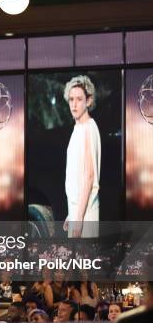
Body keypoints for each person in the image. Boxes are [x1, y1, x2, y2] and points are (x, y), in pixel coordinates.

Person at [63, 75, 101, 238]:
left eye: (79, 99)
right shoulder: (78, 128)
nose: (74, 104)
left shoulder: (88, 128)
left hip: (85, 214)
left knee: (85, 261)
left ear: (89, 101)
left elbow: (89, 175)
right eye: (71, 99)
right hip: (77, 210)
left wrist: (78, 218)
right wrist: (71, 214)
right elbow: (76, 174)